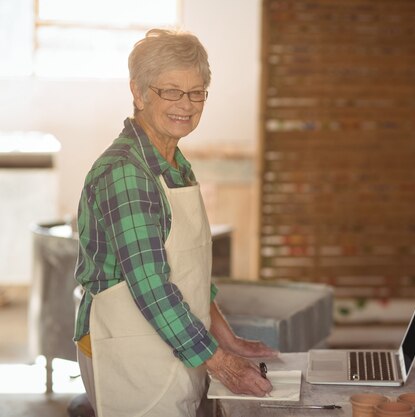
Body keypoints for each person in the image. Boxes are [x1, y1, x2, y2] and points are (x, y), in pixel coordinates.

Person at [73, 28, 276, 417]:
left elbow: (188, 271)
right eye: (171, 91)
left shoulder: (174, 165)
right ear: (139, 92)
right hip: (127, 348)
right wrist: (222, 363)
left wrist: (227, 339)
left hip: (172, 341)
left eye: (196, 92)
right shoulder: (126, 173)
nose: (186, 104)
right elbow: (151, 287)